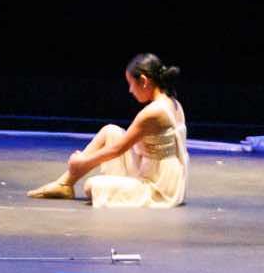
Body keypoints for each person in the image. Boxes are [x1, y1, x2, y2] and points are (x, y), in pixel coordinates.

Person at [26, 54, 188, 208]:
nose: (130, 90)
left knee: (92, 186)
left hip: (157, 187)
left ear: (144, 81)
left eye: (131, 83)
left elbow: (118, 149)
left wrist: (82, 163)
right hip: (153, 169)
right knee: (110, 131)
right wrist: (81, 163)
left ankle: (69, 180)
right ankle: (64, 183)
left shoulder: (153, 113)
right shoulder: (172, 102)